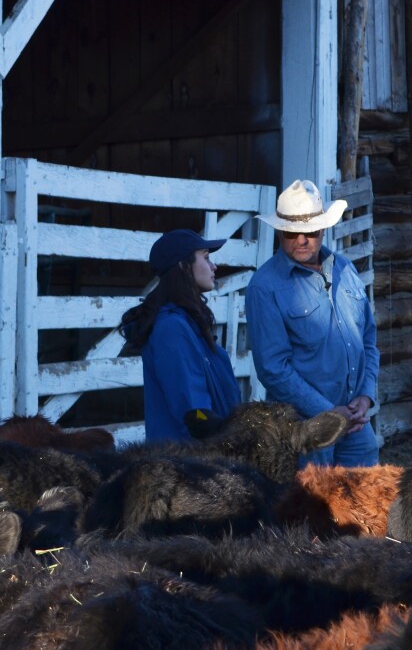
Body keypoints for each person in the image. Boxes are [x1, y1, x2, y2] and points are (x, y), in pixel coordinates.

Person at [246, 179, 380, 467]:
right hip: (304, 429)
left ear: (323, 228)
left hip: (356, 423)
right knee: (312, 506)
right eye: (291, 233)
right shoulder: (265, 286)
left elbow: (368, 339)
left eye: (310, 231)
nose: (302, 240)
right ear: (279, 233)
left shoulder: (346, 269)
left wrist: (366, 395)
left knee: (365, 505)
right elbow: (272, 369)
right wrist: (330, 413)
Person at [120, 229, 242, 443]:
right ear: (183, 266)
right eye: (206, 258)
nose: (214, 266)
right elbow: (194, 415)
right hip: (188, 466)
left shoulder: (187, 322)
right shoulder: (172, 329)